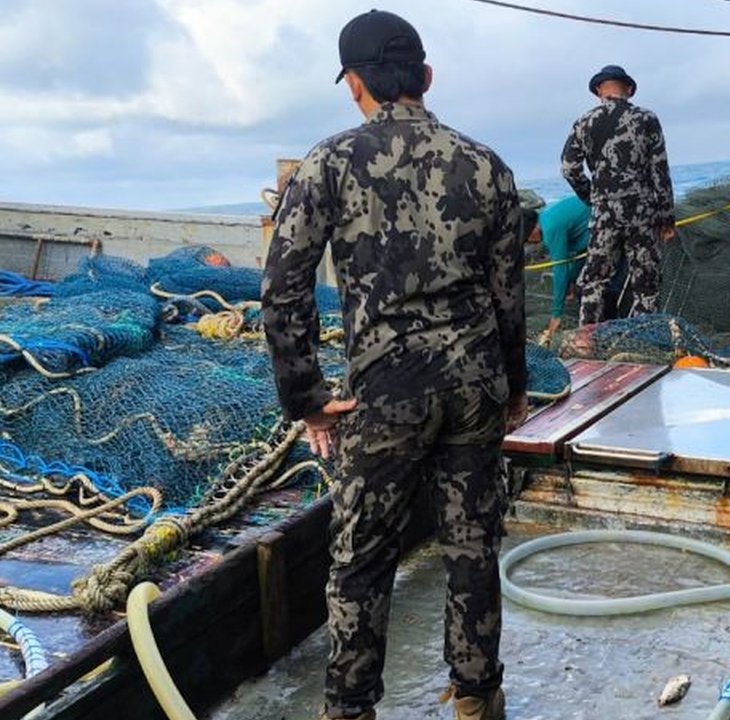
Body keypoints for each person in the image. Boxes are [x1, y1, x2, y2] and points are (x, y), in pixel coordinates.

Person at [261, 10, 524, 720]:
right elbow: (508, 291)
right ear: (426, 78)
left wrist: (306, 397)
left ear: (354, 84)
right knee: (472, 545)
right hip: (475, 385)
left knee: (362, 559)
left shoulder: (329, 161)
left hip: (386, 391)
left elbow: (282, 286)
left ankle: (350, 708)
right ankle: (477, 698)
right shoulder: (487, 165)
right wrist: (515, 387)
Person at [561, 64, 675, 327]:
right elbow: (660, 170)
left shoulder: (584, 122)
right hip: (642, 212)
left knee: (595, 279)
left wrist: (592, 197)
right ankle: (642, 338)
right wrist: (667, 218)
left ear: (598, 91)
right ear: (630, 90)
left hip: (604, 213)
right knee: (645, 280)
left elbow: (569, 168)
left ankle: (587, 338)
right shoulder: (647, 119)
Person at [527, 194, 590, 343]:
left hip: (602, 223)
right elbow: (580, 254)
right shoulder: (546, 216)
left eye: (527, 238)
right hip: (592, 220)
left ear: (532, 230)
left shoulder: (550, 229)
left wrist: (556, 315)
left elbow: (560, 268)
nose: (529, 242)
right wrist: (572, 281)